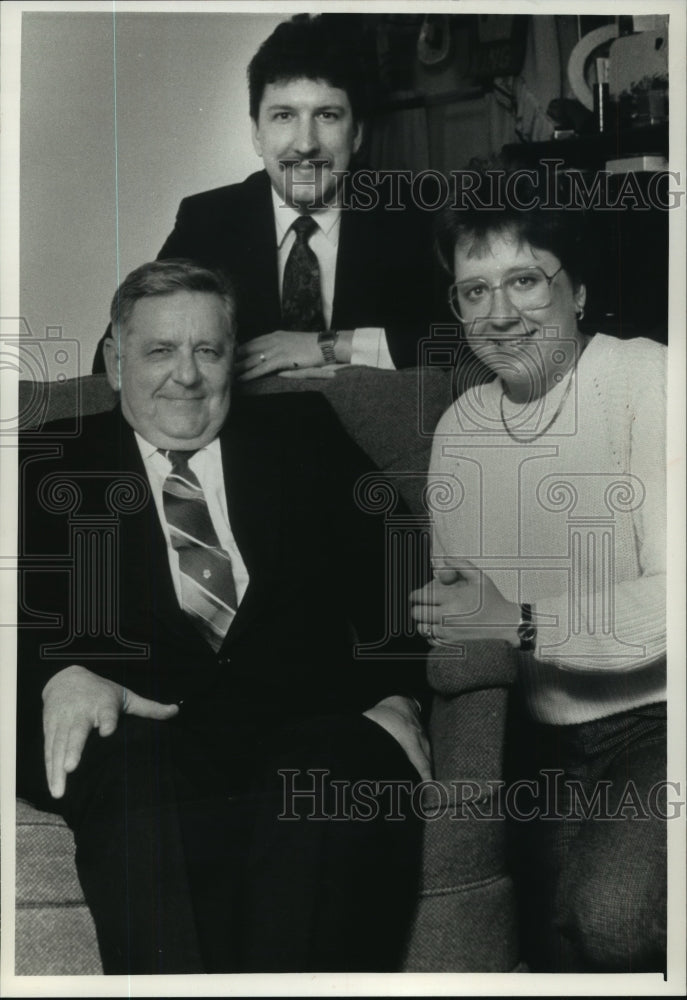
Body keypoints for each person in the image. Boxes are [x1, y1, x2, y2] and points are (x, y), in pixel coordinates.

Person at [18, 259, 431, 974]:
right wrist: (60, 673)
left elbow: (394, 556)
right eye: (159, 351)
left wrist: (396, 692)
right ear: (116, 363)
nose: (186, 374)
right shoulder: (48, 463)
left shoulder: (301, 433)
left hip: (300, 725)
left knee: (339, 767)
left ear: (230, 359)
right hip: (139, 732)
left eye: (206, 350)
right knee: (131, 773)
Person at [410, 163, 667, 972]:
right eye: (473, 290)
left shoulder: (644, 378)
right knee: (547, 951)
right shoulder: (458, 428)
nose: (499, 314)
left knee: (611, 922)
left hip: (659, 724)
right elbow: (462, 607)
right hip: (535, 746)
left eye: (524, 279)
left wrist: (518, 621)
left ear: (578, 290)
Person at [91, 14, 442, 378]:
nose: (306, 144)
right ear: (257, 133)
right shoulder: (208, 220)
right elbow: (112, 361)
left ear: (356, 135)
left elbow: (468, 343)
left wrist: (329, 344)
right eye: (283, 116)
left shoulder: (412, 213)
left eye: (327, 115)